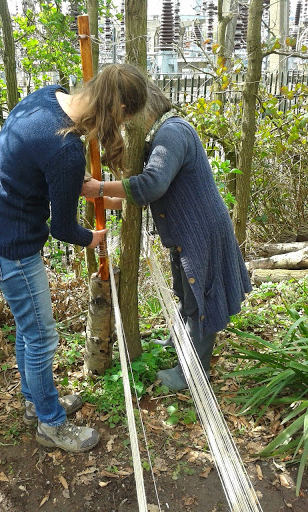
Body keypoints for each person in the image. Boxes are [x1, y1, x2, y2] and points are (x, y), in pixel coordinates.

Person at [0, 64, 148, 452]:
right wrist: (94, 237)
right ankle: (51, 424)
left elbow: (38, 171)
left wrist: (80, 189)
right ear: (115, 107)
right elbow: (63, 229)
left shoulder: (47, 97)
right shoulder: (65, 148)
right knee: (42, 336)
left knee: (28, 327)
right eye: (125, 117)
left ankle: (36, 403)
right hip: (9, 247)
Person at [81, 81, 252, 391]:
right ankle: (180, 343)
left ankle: (192, 375)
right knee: (186, 294)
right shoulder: (163, 133)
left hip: (201, 233)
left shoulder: (172, 133)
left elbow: (152, 184)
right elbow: (147, 192)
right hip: (188, 232)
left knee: (201, 301)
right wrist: (104, 200)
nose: (125, 120)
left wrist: (101, 188)